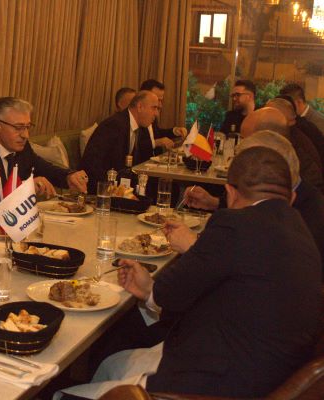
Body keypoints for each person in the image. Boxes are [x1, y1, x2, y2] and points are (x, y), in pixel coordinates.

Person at [57, 147, 321, 399]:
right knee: (111, 364)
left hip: (216, 383)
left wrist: (154, 290)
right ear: (291, 197)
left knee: (65, 393)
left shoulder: (234, 223)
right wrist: (150, 290)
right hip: (270, 374)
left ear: (230, 193)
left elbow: (169, 294)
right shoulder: (303, 232)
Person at [185, 130, 324, 278]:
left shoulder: (310, 212)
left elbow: (263, 265)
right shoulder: (284, 194)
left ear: (272, 169)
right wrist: (214, 203)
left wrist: (194, 246)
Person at [0, 97, 88, 204]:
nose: (25, 135)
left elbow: (43, 167)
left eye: (27, 127)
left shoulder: (21, 147)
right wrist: (25, 189)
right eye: (18, 128)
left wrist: (68, 177)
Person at [79, 90, 160, 192]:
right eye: (154, 108)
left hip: (120, 185)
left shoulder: (138, 128)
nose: (156, 114)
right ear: (140, 107)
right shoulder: (114, 125)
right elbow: (91, 164)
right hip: (100, 188)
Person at [264, 98, 324, 191]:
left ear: (282, 117)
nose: (264, 119)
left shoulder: (294, 141)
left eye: (268, 115)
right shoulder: (294, 133)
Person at [139, 79, 187, 148]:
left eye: (161, 100)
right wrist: (155, 143)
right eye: (157, 99)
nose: (160, 105)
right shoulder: (136, 116)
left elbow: (156, 133)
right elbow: (134, 146)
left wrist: (175, 131)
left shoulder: (153, 113)